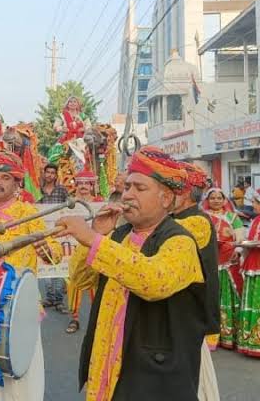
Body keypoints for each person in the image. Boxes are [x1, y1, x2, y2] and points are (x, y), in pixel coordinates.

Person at [57, 146, 208, 401]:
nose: (127, 195)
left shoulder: (180, 242)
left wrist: (94, 240)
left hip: (153, 382)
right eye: (127, 187)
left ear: (166, 199)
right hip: (107, 371)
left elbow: (152, 281)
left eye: (139, 188)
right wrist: (99, 234)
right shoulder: (118, 237)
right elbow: (81, 280)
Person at [0, 151, 63, 401]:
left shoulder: (28, 213)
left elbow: (55, 254)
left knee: (22, 376)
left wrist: (46, 250)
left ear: (16, 184)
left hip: (22, 309)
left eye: (5, 177)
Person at [171, 163, 220, 400]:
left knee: (195, 382)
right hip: (177, 315)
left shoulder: (196, 221)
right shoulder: (176, 218)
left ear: (187, 194)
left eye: (173, 189)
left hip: (190, 316)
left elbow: (156, 239)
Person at [201, 187, 245, 349]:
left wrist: (238, 250)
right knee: (210, 296)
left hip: (228, 261)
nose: (216, 200)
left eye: (220, 197)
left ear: (225, 200)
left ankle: (230, 336)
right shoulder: (202, 217)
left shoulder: (233, 217)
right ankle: (211, 335)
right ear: (207, 200)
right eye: (213, 198)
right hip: (208, 261)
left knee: (229, 297)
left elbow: (240, 237)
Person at [65, 169, 103, 334]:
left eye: (87, 184)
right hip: (73, 250)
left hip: (94, 249)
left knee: (96, 284)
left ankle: (98, 320)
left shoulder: (100, 203)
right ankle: (75, 318)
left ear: (92, 185)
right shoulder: (69, 204)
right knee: (74, 283)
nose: (83, 187)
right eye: (80, 184)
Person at [38, 163, 70, 313]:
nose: (50, 175)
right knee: (44, 263)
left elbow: (70, 206)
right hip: (43, 231)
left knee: (58, 263)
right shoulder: (38, 191)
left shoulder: (62, 191)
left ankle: (58, 300)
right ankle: (50, 297)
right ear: (44, 174)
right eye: (48, 172)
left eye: (53, 173)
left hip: (58, 231)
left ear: (56, 176)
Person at [237, 188, 260, 357]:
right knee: (252, 300)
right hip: (253, 263)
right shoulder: (255, 220)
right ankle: (251, 342)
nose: (253, 205)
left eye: (255, 202)